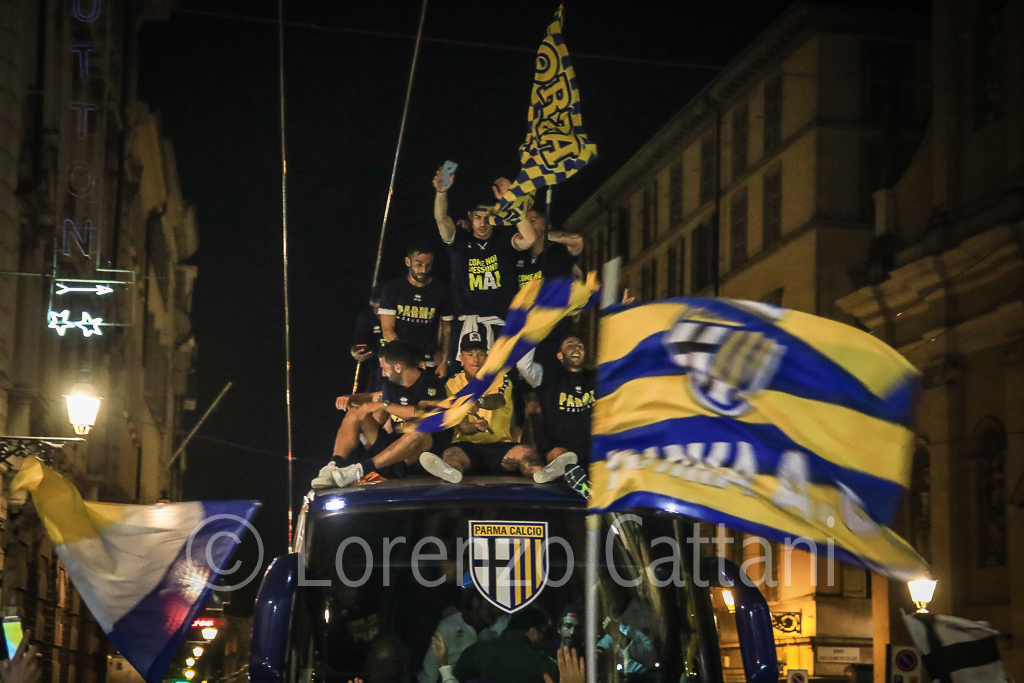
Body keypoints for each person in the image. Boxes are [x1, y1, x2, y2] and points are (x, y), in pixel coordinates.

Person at [419, 333, 572, 483]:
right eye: (470, 354)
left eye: (480, 354)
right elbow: (462, 426)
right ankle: (450, 472)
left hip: (501, 447)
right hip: (466, 447)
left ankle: (541, 473)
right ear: (461, 358)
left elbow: (497, 400)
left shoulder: (500, 378)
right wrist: (475, 427)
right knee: (451, 455)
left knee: (527, 454)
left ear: (487, 358)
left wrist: (475, 403)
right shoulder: (452, 383)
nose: (475, 359)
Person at [313, 340, 447, 489]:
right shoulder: (392, 385)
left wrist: (384, 406)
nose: (382, 373)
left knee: (420, 429)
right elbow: (372, 397)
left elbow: (423, 413)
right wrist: (350, 398)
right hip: (390, 449)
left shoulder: (431, 384)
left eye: (384, 368)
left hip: (416, 455)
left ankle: (359, 470)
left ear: (398, 367)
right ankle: (332, 466)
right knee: (355, 412)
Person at [432, 167, 535, 355]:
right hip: (466, 323)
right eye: (478, 218)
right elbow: (441, 218)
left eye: (488, 218)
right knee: (464, 373)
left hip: (501, 322)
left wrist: (512, 204)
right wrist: (441, 192)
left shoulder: (503, 239)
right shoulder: (460, 240)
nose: (482, 223)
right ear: (470, 217)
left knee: (500, 372)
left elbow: (529, 239)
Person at [517, 335, 595, 496]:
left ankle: (556, 474)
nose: (576, 348)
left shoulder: (596, 377)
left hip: (593, 450)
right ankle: (566, 474)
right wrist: (534, 331)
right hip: (560, 449)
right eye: (570, 345)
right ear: (560, 355)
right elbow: (523, 365)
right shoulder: (548, 376)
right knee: (563, 457)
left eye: (580, 345)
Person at [378, 243, 453, 376]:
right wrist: (409, 359)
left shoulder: (440, 290)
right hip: (401, 361)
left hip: (429, 361)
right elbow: (388, 330)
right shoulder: (393, 289)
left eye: (428, 265)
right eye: (419, 264)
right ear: (408, 261)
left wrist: (444, 361)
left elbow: (446, 329)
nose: (423, 270)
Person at [419, 587, 507, 683]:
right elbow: (431, 664)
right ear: (475, 602)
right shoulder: (449, 625)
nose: (496, 611)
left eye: (498, 606)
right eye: (491, 606)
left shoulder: (502, 626)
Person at [450, 607, 559, 683]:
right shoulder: (545, 665)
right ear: (533, 632)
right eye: (545, 635)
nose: (545, 642)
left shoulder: (473, 652)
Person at [351, 288, 385, 393]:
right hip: (375, 365)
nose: (377, 311)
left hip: (396, 365)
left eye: (380, 307)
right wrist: (356, 352)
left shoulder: (400, 318)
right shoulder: (368, 317)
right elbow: (359, 342)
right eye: (374, 306)